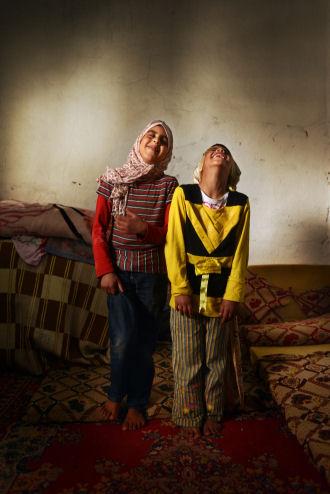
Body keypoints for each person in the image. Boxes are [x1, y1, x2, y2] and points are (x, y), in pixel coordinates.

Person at [92, 120, 178, 431]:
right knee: (120, 340)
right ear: (138, 139)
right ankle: (116, 395)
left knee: (143, 342)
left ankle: (138, 402)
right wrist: (105, 271)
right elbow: (99, 230)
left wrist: (143, 229)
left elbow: (170, 235)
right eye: (151, 135)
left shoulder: (169, 186)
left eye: (164, 140)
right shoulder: (112, 180)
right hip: (118, 275)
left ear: (168, 151)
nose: (156, 142)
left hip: (152, 278)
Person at [164, 143, 250, 439]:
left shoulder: (240, 202)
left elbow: (240, 254)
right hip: (187, 292)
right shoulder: (183, 195)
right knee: (188, 357)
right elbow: (173, 244)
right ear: (200, 166)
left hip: (220, 295)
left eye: (225, 152)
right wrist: (180, 289)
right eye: (212, 150)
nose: (220, 152)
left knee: (215, 358)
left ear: (231, 170)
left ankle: (213, 412)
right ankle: (189, 415)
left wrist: (232, 296)